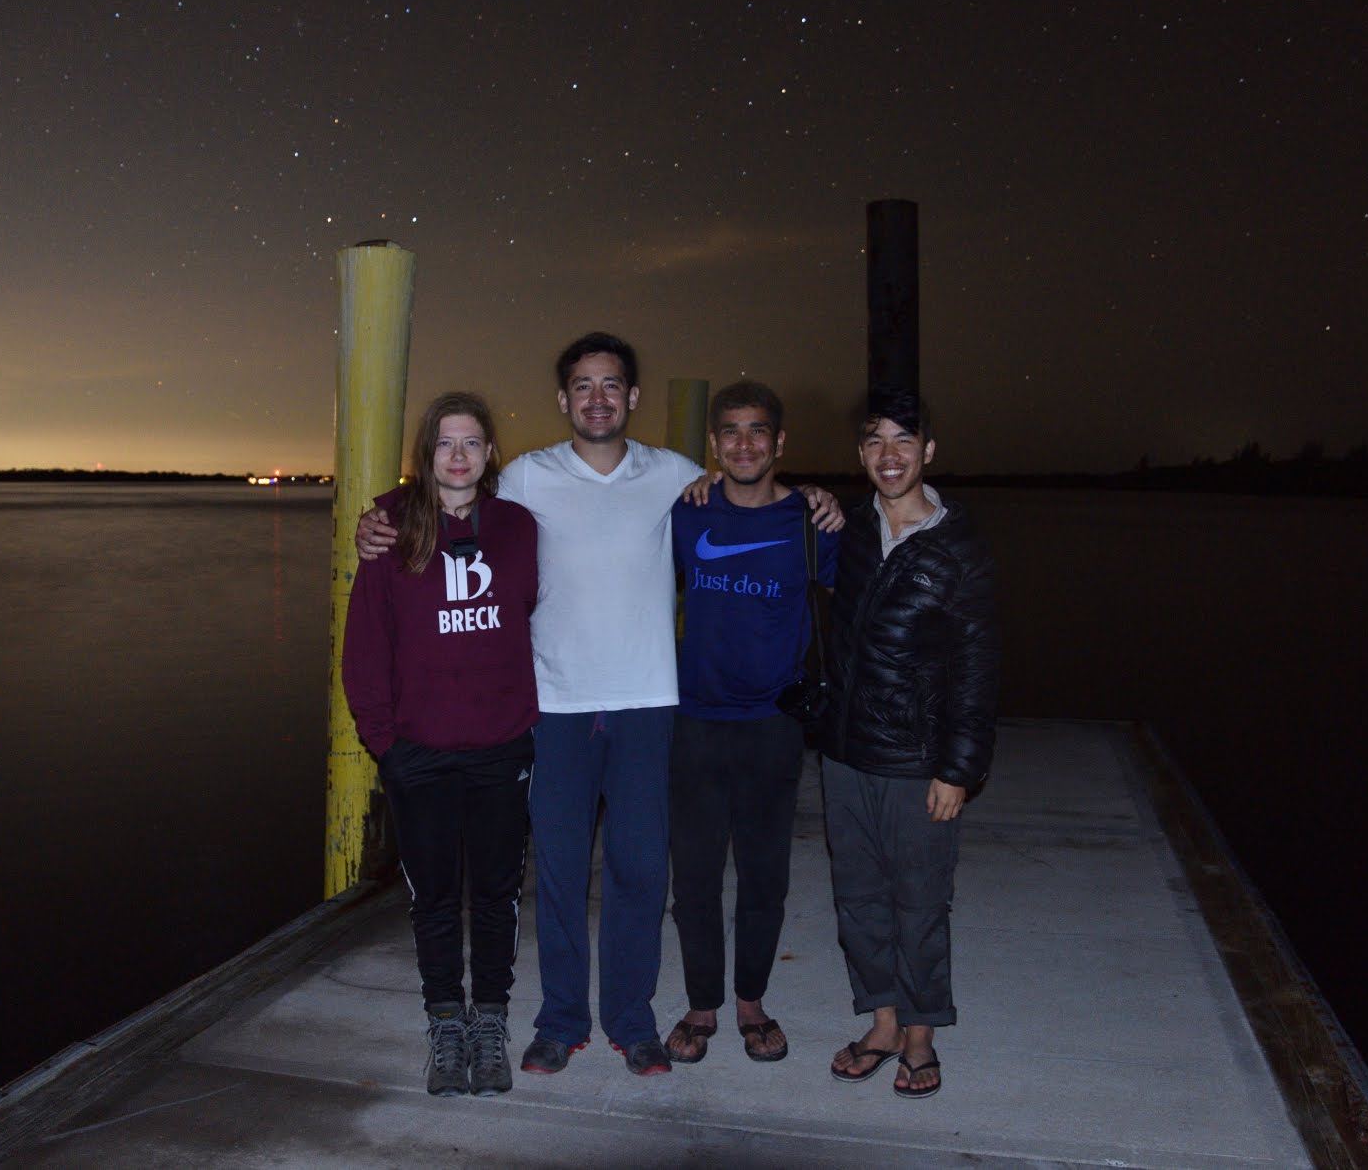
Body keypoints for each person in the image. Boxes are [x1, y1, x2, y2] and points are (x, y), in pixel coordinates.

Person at [356, 334, 841, 1079]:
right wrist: (380, 517)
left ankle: (631, 1019)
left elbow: (751, 490)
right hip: (555, 706)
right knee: (557, 874)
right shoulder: (526, 476)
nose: (598, 398)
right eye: (583, 386)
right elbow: (450, 497)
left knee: (640, 872)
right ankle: (560, 1021)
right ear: (563, 399)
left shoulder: (676, 475)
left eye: (611, 385)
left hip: (648, 702)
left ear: (633, 397)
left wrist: (817, 498)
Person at [341, 392, 539, 1098]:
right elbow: (365, 647)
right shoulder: (391, 529)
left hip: (501, 747)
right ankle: (446, 1023)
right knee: (433, 897)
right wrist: (386, 744)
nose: (459, 456)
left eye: (472, 443)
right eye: (446, 443)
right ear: (426, 454)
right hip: (417, 752)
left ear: (490, 455)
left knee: (496, 894)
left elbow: (537, 613)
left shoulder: (518, 527)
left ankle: (491, 1021)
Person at [821, 387, 998, 1099]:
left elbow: (977, 668)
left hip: (916, 760)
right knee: (858, 900)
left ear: (928, 450)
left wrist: (959, 768)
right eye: (874, 440)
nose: (888, 454)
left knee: (920, 904)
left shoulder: (960, 548)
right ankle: (884, 1023)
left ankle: (921, 1037)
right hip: (843, 752)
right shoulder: (851, 527)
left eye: (904, 440)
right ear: (861, 453)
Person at [664, 380, 839, 1066]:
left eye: (758, 430)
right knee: (695, 877)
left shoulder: (811, 520)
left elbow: (867, 594)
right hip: (695, 721)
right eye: (731, 431)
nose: (744, 443)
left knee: (765, 876)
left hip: (774, 723)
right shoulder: (686, 514)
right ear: (714, 444)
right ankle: (701, 1004)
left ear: (780, 442)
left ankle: (751, 1003)